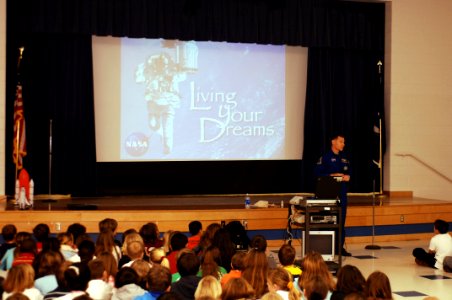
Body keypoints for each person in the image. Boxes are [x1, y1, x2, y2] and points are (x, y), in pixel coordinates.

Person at [315, 133, 352, 256]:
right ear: (333, 142)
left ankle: (339, 247)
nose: (343, 144)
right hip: (329, 193)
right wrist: (331, 176)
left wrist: (347, 177)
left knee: (341, 221)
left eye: (344, 142)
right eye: (341, 141)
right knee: (329, 220)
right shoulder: (325, 157)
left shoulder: (344, 158)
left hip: (342, 193)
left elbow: (349, 174)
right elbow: (317, 174)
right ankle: (326, 247)